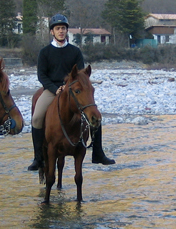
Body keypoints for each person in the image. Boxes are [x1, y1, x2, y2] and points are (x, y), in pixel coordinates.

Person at [27, 14, 115, 171]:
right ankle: (38, 158)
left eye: (63, 28)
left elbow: (81, 74)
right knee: (36, 118)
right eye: (57, 28)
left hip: (73, 91)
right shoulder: (45, 52)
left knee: (94, 115)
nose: (61, 31)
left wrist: (69, 88)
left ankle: (98, 152)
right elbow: (42, 75)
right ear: (52, 32)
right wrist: (55, 89)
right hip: (51, 90)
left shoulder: (75, 51)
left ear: (66, 31)